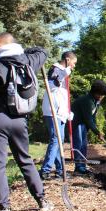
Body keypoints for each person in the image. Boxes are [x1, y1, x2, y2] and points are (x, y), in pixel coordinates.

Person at [0, 32, 52, 211]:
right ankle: (42, 200)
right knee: (25, 159)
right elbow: (42, 51)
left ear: (3, 46)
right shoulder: (28, 61)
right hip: (19, 119)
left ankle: (4, 207)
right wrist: (22, 50)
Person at [40, 51, 77, 180]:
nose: (74, 66)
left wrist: (67, 111)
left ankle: (60, 171)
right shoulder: (55, 69)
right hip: (52, 111)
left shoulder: (63, 72)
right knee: (56, 139)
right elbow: (51, 86)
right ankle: (45, 170)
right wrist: (64, 73)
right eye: (73, 63)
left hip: (60, 112)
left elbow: (61, 95)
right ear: (67, 60)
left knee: (59, 140)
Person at [71, 80, 106, 174]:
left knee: (84, 146)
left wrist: (98, 131)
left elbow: (93, 117)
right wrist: (97, 132)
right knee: (79, 145)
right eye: (101, 95)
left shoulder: (96, 102)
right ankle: (79, 167)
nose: (102, 97)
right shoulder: (87, 101)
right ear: (96, 93)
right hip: (77, 123)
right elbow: (88, 119)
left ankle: (82, 166)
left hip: (83, 125)